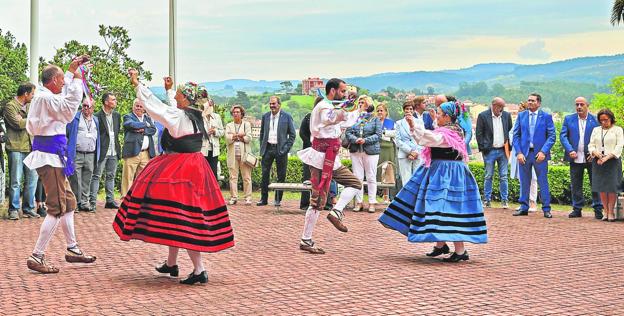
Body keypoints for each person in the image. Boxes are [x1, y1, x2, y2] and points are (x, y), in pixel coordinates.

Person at [114, 71, 234, 285]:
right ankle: (172, 264)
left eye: (179, 94)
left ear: (186, 99)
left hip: (180, 169)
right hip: (196, 167)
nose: (176, 96)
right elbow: (171, 108)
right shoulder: (197, 117)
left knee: (184, 218)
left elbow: (157, 108)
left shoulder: (179, 116)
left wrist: (137, 84)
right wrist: (170, 90)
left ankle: (199, 269)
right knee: (175, 216)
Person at [379, 101, 487, 262]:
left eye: (438, 113)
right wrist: (413, 125)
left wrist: (413, 125)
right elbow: (426, 137)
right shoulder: (447, 129)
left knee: (450, 208)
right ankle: (440, 244)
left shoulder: (451, 133)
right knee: (438, 206)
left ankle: (460, 250)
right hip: (441, 171)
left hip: (449, 174)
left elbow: (429, 139)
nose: (435, 116)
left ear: (447, 116)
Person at [24, 57, 97, 274]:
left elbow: (61, 98)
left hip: (53, 156)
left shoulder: (46, 96)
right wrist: (76, 80)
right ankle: (37, 255)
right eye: (61, 80)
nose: (64, 84)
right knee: (57, 208)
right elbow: (67, 108)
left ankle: (73, 248)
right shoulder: (46, 98)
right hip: (50, 157)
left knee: (69, 202)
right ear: (53, 80)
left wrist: (70, 71)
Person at [297, 78, 362, 254]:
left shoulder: (330, 105)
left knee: (355, 184)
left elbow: (344, 120)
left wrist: (358, 109)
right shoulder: (324, 107)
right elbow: (332, 117)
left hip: (332, 158)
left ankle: (336, 212)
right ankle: (306, 239)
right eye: (342, 92)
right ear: (332, 91)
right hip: (320, 159)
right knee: (317, 201)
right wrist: (349, 106)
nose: (344, 95)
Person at [512, 93, 556, 218]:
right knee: (524, 182)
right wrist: (519, 152)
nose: (529, 102)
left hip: (540, 155)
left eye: (532, 101)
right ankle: (524, 207)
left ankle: (546, 209)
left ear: (539, 103)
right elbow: (516, 136)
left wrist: (543, 151)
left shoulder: (546, 117)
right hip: (524, 154)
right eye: (528, 100)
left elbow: (552, 136)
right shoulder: (521, 116)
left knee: (543, 182)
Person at [559, 97, 603, 219]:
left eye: (581, 104)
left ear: (587, 105)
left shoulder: (595, 120)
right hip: (575, 157)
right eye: (577, 104)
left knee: (595, 183)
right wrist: (570, 150)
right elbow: (563, 136)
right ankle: (577, 209)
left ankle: (598, 209)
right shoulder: (569, 119)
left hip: (591, 157)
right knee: (576, 184)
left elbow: (600, 138)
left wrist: (595, 152)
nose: (579, 107)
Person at [4, 82, 39, 220]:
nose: (33, 96)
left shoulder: (31, 106)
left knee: (32, 179)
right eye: (32, 94)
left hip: (31, 146)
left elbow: (37, 120)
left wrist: (26, 119)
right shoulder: (10, 106)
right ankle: (13, 209)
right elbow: (18, 124)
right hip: (15, 147)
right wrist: (30, 119)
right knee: (16, 180)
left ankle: (28, 208)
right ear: (26, 94)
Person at [257, 96, 296, 207]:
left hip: (281, 150)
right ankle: (263, 199)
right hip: (267, 149)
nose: (271, 106)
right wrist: (262, 147)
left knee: (281, 175)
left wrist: (285, 149)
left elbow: (293, 135)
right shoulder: (265, 116)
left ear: (279, 104)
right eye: (270, 104)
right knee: (264, 175)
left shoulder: (287, 117)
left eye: (273, 104)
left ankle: (277, 200)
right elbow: (262, 134)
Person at [345, 95, 381, 213]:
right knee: (357, 177)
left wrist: (366, 140)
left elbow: (378, 135)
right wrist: (355, 139)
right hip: (356, 150)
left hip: (370, 151)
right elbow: (348, 132)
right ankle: (359, 202)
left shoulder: (375, 119)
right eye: (359, 102)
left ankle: (371, 202)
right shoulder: (354, 117)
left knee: (371, 176)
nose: (360, 104)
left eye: (363, 102)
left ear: (368, 104)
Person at [476, 97, 513, 208]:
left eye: (503, 107)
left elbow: (510, 132)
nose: (501, 109)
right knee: (488, 176)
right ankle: (487, 200)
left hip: (503, 150)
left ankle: (504, 201)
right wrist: (483, 149)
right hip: (489, 151)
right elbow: (479, 134)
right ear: (494, 105)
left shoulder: (507, 116)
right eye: (500, 106)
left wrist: (509, 148)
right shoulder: (483, 116)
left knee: (504, 176)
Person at [588, 109, 623, 222]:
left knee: (612, 187)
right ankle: (605, 211)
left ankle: (611, 211)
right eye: (601, 120)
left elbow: (619, 146)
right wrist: (595, 153)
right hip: (598, 161)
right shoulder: (596, 130)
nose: (603, 122)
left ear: (611, 119)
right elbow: (591, 144)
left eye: (606, 120)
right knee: (601, 187)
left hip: (612, 160)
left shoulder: (617, 130)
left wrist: (607, 157)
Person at [66, 97, 100, 213]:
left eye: (88, 106)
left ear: (93, 108)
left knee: (87, 179)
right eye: (84, 105)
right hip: (77, 153)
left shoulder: (95, 120)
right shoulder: (75, 118)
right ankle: (75, 203)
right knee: (75, 179)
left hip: (90, 154)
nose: (85, 108)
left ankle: (85, 202)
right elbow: (67, 134)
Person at [90, 92, 121, 210]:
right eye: (113, 100)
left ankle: (110, 200)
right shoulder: (97, 116)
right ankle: (92, 202)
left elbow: (117, 132)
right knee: (96, 176)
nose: (115, 101)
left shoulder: (117, 116)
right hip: (102, 151)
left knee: (111, 176)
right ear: (106, 102)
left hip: (114, 150)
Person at [120, 99, 157, 196]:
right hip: (132, 151)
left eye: (141, 106)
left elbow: (153, 130)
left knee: (143, 177)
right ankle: (125, 197)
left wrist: (142, 130)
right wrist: (146, 125)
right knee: (128, 176)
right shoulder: (128, 116)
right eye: (137, 106)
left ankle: (138, 197)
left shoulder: (147, 118)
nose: (138, 108)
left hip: (146, 153)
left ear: (144, 108)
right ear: (133, 106)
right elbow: (131, 125)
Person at [509, 102, 538, 211]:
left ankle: (532, 202)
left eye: (521, 109)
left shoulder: (534, 121)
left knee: (533, 178)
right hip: (520, 152)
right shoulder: (518, 120)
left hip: (531, 152)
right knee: (522, 178)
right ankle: (524, 202)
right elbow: (512, 135)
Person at [225, 105, 253, 205]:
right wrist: (240, 135)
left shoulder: (247, 124)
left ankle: (248, 197)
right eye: (234, 112)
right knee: (233, 177)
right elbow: (227, 139)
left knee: (247, 177)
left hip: (244, 155)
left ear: (242, 114)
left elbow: (249, 137)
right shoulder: (229, 125)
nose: (236, 114)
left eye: (238, 112)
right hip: (233, 155)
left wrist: (235, 136)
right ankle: (233, 197)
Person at [396, 98, 423, 187]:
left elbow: (422, 138)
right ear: (404, 110)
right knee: (406, 179)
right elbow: (398, 140)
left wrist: (415, 152)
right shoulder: (399, 123)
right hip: (404, 153)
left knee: (417, 178)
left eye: (411, 109)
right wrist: (410, 151)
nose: (409, 111)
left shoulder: (419, 122)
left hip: (417, 152)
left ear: (414, 110)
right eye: (407, 109)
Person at [376, 102, 398, 203]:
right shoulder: (374, 121)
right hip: (377, 148)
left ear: (386, 112)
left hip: (388, 148)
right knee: (378, 170)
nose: (380, 112)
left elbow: (395, 134)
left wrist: (385, 133)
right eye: (378, 111)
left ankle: (386, 196)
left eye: (381, 110)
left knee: (388, 170)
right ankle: (376, 194)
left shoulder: (391, 122)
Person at [201, 99, 224, 180]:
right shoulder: (200, 117)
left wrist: (215, 131)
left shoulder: (217, 117)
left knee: (213, 173)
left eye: (211, 105)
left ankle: (212, 192)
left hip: (214, 150)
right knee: (202, 172)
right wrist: (206, 133)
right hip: (202, 150)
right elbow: (196, 133)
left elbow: (222, 132)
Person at [299, 111, 313, 210]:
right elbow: (302, 132)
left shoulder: (327, 117)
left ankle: (325, 203)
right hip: (309, 150)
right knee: (307, 176)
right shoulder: (308, 117)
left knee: (324, 177)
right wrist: (310, 144)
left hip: (323, 150)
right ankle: (304, 203)